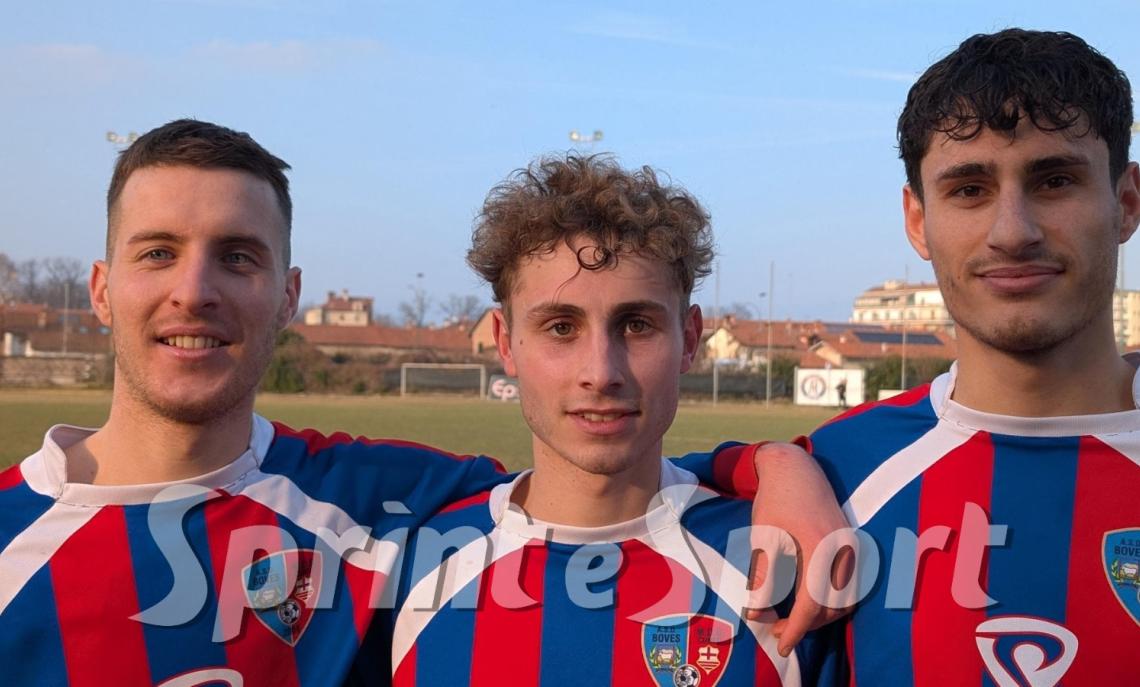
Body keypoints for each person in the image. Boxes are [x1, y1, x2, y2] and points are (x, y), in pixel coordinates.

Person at [0, 120, 846, 685]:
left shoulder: (374, 507)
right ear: (102, 290)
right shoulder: (11, 538)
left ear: (288, 294)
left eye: (238, 257)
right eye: (157, 252)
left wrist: (775, 461)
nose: (194, 291)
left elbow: (595, 492)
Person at [751, 29, 1140, 685]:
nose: (1012, 230)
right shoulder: (839, 476)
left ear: (1126, 202)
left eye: (1054, 180)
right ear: (916, 220)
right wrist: (766, 459)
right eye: (968, 189)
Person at [386, 155, 844, 686]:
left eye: (636, 324)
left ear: (690, 340)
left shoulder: (783, 562)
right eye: (560, 327)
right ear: (506, 343)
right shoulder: (412, 567)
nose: (601, 372)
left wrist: (777, 461)